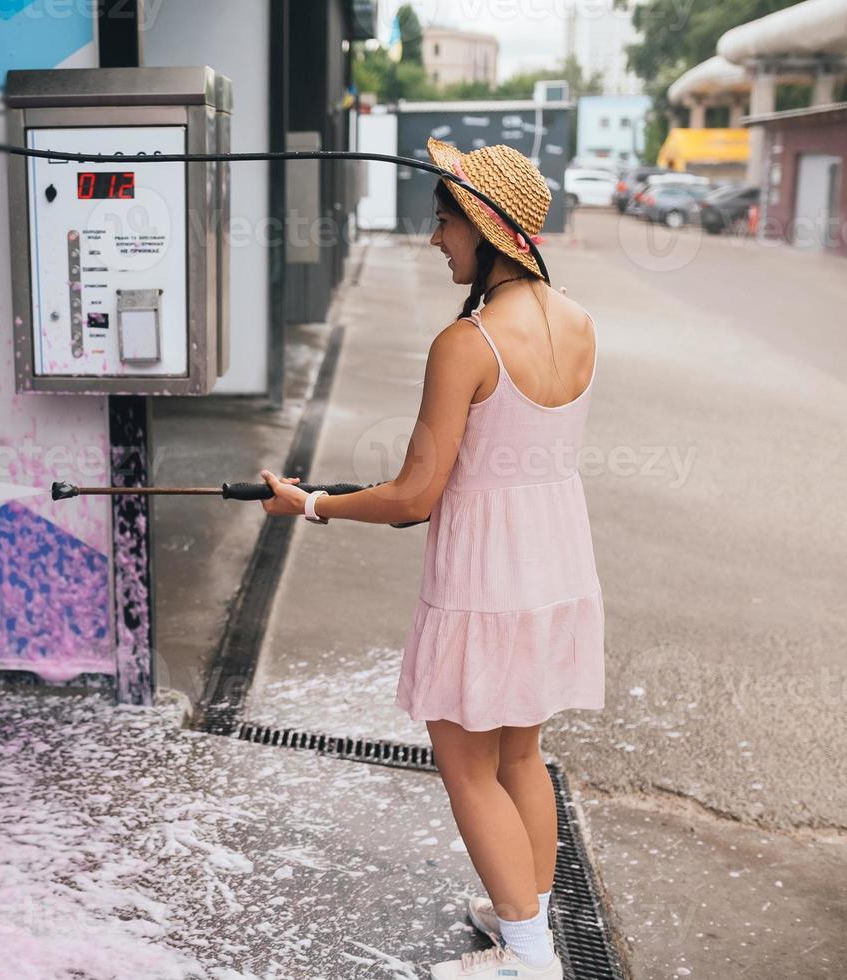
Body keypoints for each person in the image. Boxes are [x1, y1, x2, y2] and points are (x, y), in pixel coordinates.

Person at [256, 139, 605, 979]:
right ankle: (523, 916)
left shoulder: (467, 344)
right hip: (554, 564)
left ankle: (525, 956)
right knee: (521, 755)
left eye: (443, 222)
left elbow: (415, 496)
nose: (434, 239)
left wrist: (308, 502)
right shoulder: (578, 322)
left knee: (466, 768)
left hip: (484, 577)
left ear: (486, 230)